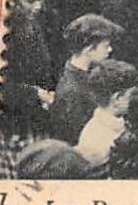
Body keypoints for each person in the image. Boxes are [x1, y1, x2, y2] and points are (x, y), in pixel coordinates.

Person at [49, 14, 127, 144]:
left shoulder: (84, 73)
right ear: (89, 50)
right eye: (106, 46)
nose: (110, 50)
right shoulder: (73, 92)